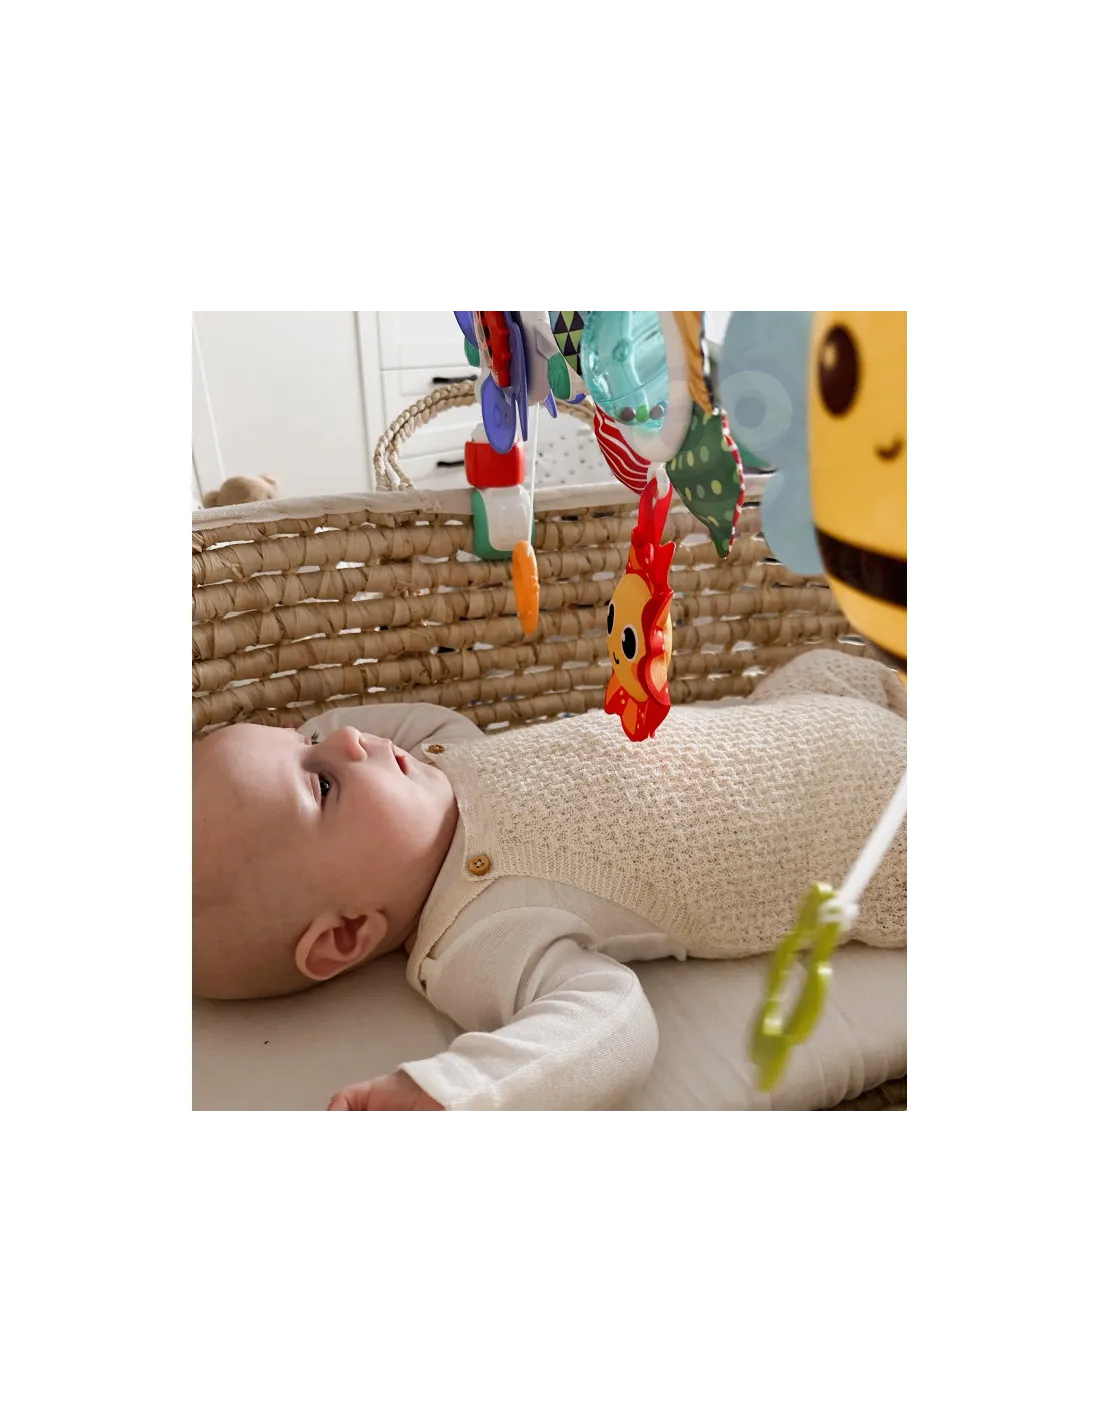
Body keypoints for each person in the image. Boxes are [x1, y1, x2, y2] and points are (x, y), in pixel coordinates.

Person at [193, 649, 906, 1111]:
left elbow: (413, 719)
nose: (348, 740)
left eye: (310, 739)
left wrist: (302, 753)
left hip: (808, 713)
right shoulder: (479, 939)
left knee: (834, 661)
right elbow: (612, 1022)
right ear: (347, 932)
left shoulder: (443, 757)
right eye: (321, 785)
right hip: (868, 821)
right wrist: (452, 1093)